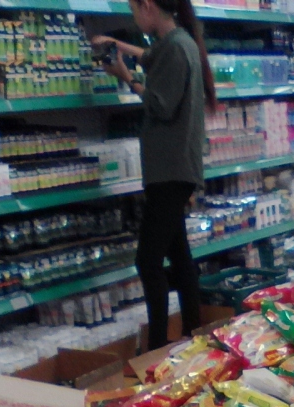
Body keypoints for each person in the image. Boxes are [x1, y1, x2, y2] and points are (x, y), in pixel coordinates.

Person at [94, 0, 216, 351]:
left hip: (170, 169)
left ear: (147, 6)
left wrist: (127, 77)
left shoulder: (176, 47)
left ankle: (158, 346)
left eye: (134, 10)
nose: (134, 19)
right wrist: (119, 47)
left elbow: (161, 105)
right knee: (179, 254)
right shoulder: (177, 42)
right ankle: (193, 334)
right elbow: (152, 57)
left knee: (147, 261)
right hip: (174, 167)